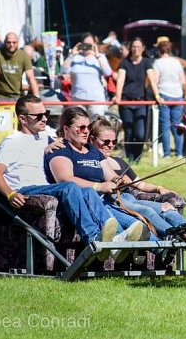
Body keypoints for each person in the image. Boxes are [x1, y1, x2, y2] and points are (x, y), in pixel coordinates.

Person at [0, 95, 141, 265]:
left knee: (89, 191)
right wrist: (10, 194)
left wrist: (52, 144)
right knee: (68, 186)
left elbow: (65, 139)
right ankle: (92, 239)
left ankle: (117, 241)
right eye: (38, 116)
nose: (44, 118)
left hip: (47, 189)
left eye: (45, 113)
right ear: (22, 119)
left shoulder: (46, 138)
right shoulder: (12, 142)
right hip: (25, 189)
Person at [88, 117, 186, 246]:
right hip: (115, 200)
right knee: (147, 211)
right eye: (106, 142)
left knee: (167, 207)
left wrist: (158, 188)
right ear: (92, 139)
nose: (110, 145)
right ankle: (180, 236)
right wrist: (118, 181)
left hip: (130, 198)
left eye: (114, 141)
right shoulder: (91, 162)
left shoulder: (119, 161)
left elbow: (140, 184)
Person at [45, 107, 150, 262]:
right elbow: (64, 179)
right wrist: (99, 186)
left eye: (88, 127)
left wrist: (117, 181)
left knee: (139, 220)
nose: (86, 131)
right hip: (80, 201)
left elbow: (111, 176)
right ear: (66, 129)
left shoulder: (92, 150)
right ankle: (119, 247)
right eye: (81, 127)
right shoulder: (60, 149)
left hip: (104, 200)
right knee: (139, 212)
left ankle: (161, 248)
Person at [113, 37, 157, 162]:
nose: (135, 49)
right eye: (133, 47)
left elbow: (152, 80)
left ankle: (137, 156)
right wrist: (118, 96)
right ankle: (130, 157)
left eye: (138, 47)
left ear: (143, 48)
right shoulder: (124, 63)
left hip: (141, 102)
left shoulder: (147, 62)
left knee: (140, 133)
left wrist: (157, 96)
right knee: (129, 131)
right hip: (126, 101)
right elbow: (120, 79)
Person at [61, 32, 112, 118]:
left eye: (90, 44)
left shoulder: (100, 57)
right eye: (85, 44)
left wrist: (97, 55)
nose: (88, 46)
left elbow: (107, 72)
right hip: (78, 99)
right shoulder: (75, 58)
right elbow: (63, 71)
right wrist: (71, 55)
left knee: (96, 127)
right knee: (78, 126)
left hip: (96, 100)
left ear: (95, 44)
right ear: (81, 44)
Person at [151, 39, 186, 158]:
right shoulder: (177, 62)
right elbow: (183, 81)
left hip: (164, 95)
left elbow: (155, 81)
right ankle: (179, 153)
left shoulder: (157, 63)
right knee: (177, 125)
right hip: (177, 95)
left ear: (159, 50)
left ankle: (167, 153)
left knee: (165, 126)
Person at [0, 32, 39, 106]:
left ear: (18, 42)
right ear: (4, 42)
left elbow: (31, 78)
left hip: (17, 96)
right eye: (9, 42)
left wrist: (37, 97)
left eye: (14, 42)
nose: (11, 45)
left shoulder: (23, 55)